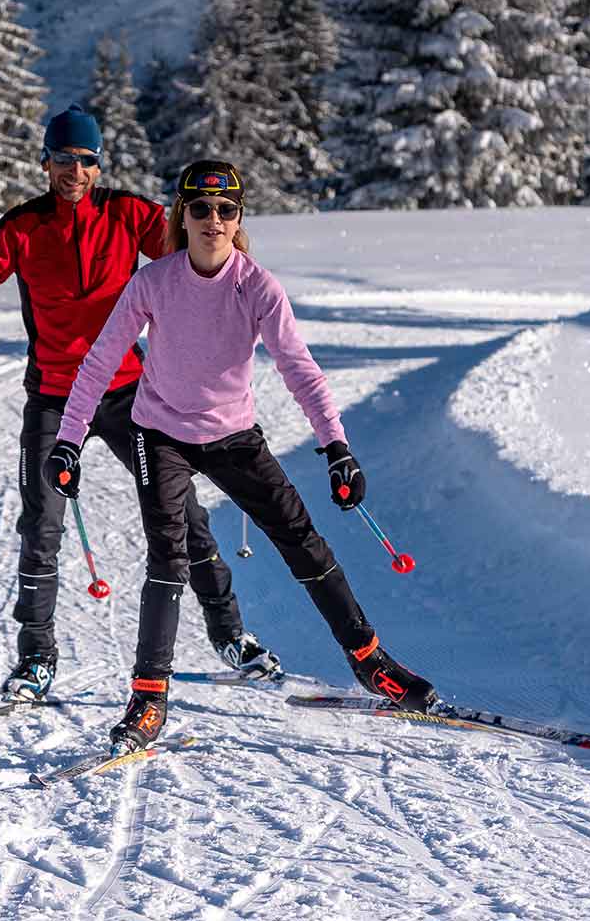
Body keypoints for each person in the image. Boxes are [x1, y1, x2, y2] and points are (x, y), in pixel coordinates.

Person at [51, 159, 436, 756]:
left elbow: (299, 369)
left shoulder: (257, 286)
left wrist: (337, 447)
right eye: (200, 209)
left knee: (301, 539)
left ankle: (371, 663)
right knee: (169, 554)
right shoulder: (155, 282)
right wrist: (69, 440)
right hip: (161, 435)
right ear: (183, 216)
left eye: (225, 210)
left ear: (238, 219)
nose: (213, 220)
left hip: (233, 436)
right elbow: (101, 361)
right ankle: (149, 699)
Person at [0, 107, 278, 703]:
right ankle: (36, 659)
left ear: (100, 166)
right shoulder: (22, 228)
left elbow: (201, 248)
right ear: (45, 162)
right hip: (52, 397)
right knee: (41, 526)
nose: (76, 170)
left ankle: (230, 635)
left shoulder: (129, 216)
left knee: (183, 516)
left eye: (87, 160)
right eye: (65, 159)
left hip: (131, 395)